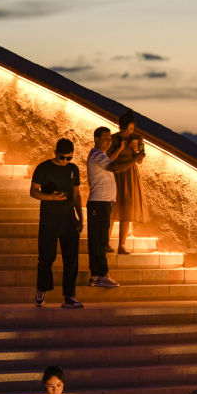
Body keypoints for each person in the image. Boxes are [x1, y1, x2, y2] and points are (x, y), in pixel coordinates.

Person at [30, 138, 83, 308]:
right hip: (49, 218)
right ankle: (42, 291)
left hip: (68, 218)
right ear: (55, 153)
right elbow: (33, 191)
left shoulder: (73, 169)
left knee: (71, 259)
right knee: (46, 257)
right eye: (62, 158)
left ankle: (69, 296)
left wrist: (81, 217)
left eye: (69, 158)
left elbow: (76, 194)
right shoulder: (43, 168)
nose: (65, 161)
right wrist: (51, 197)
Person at [86, 126, 138, 288]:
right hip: (99, 203)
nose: (109, 141)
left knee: (99, 240)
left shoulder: (102, 155)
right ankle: (102, 275)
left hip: (104, 203)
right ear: (96, 139)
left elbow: (111, 161)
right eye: (106, 138)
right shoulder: (96, 155)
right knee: (99, 241)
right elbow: (114, 167)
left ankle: (95, 275)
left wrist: (121, 149)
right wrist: (134, 160)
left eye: (110, 138)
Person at [107, 109, 148, 254]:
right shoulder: (113, 139)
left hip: (130, 174)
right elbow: (109, 157)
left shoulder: (138, 138)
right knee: (112, 208)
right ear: (121, 127)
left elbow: (141, 160)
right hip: (116, 173)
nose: (130, 131)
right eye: (127, 129)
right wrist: (121, 148)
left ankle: (122, 245)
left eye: (132, 128)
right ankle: (106, 242)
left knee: (127, 209)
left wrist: (137, 151)